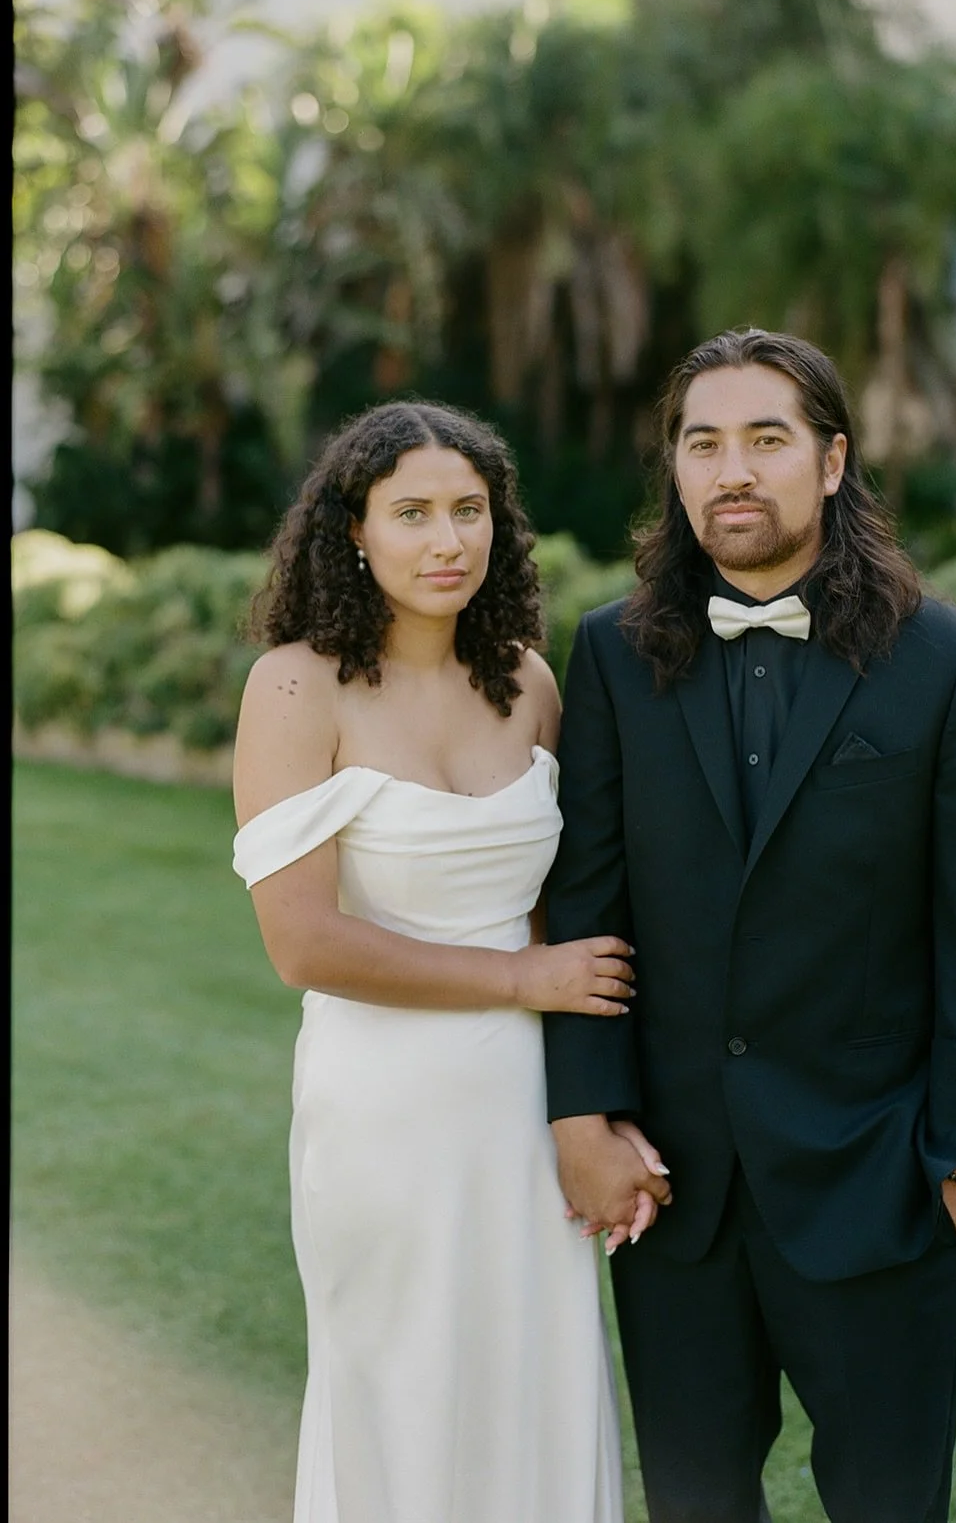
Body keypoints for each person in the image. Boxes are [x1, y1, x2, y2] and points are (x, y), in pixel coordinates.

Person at [542, 328, 956, 1523]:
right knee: (697, 1504)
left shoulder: (947, 661)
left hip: (878, 1178)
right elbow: (585, 905)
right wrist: (582, 1112)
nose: (732, 470)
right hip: (674, 1189)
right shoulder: (611, 657)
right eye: (702, 441)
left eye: (766, 438)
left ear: (830, 462)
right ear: (673, 466)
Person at [231, 400, 659, 1523]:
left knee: (539, 1376)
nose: (446, 540)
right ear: (353, 531)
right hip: (383, 1108)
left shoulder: (529, 683)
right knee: (400, 1382)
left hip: (525, 1104)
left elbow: (556, 907)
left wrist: (596, 1107)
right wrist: (526, 981)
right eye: (411, 512)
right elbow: (302, 941)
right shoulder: (294, 684)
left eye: (468, 510)